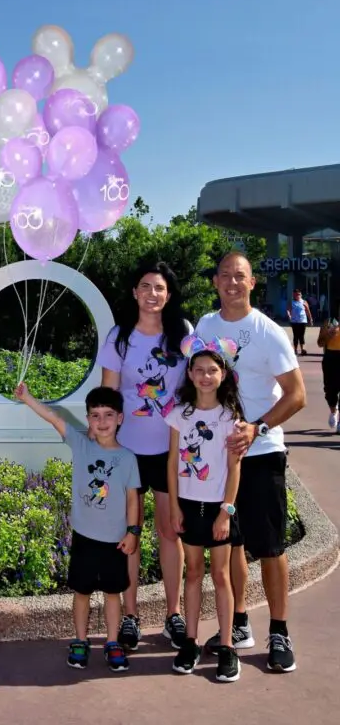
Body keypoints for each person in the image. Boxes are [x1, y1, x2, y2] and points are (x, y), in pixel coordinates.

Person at [195, 252, 306, 673]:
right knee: (232, 543)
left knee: (271, 546)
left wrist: (256, 427)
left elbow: (297, 395)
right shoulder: (205, 327)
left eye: (239, 276)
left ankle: (280, 630)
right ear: (215, 282)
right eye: (225, 275)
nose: (232, 282)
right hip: (220, 459)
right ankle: (240, 623)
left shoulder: (268, 331)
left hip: (261, 452)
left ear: (252, 283)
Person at [14, 382, 141, 673]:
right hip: (85, 538)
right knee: (82, 592)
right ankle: (80, 641)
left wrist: (132, 533)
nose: (102, 421)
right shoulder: (80, 444)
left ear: (120, 418)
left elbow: (133, 499)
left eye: (108, 415)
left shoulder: (128, 458)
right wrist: (27, 398)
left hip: (116, 542)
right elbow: (54, 418)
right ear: (88, 420)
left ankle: (112, 642)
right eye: (95, 415)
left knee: (113, 593)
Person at [99, 261, 190, 653]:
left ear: (168, 295)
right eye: (145, 287)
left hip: (172, 451)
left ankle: (173, 613)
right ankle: (131, 617)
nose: (153, 294)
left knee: (171, 531)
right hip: (130, 454)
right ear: (135, 293)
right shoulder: (120, 337)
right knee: (129, 537)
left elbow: (203, 380)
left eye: (160, 288)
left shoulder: (183, 334)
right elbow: (108, 396)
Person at [167, 335, 244, 683]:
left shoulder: (231, 417)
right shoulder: (179, 413)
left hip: (219, 508)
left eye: (212, 370)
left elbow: (234, 467)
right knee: (193, 573)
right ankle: (191, 642)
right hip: (188, 504)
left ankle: (227, 646)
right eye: (198, 370)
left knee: (221, 575)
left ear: (223, 374)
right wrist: (174, 507)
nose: (205, 376)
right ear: (190, 373)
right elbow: (172, 463)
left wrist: (226, 512)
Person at [317, 314, 340, 432]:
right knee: (330, 390)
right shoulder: (329, 321)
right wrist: (328, 334)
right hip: (330, 358)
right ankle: (333, 411)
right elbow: (320, 343)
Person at [287, 288, 313, 355]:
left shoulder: (304, 302)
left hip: (302, 321)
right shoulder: (292, 302)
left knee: (301, 336)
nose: (297, 296)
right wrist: (289, 315)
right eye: (296, 294)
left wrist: (310, 319)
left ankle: (302, 349)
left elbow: (308, 311)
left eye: (299, 294)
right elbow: (288, 310)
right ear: (293, 295)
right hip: (294, 321)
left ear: (301, 295)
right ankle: (295, 350)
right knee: (295, 335)